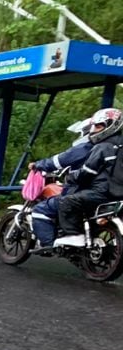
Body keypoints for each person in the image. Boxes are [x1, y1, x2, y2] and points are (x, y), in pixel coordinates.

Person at [26, 111, 109, 249]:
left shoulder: (84, 148)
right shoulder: (110, 148)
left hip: (80, 192)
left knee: (40, 209)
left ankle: (49, 245)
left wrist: (38, 165)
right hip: (104, 193)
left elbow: (57, 161)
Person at [51, 107, 123, 250]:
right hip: (119, 195)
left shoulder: (103, 147)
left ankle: (74, 235)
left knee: (67, 201)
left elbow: (86, 173)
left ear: (112, 126)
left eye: (99, 125)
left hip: (103, 193)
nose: (94, 130)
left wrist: (70, 177)